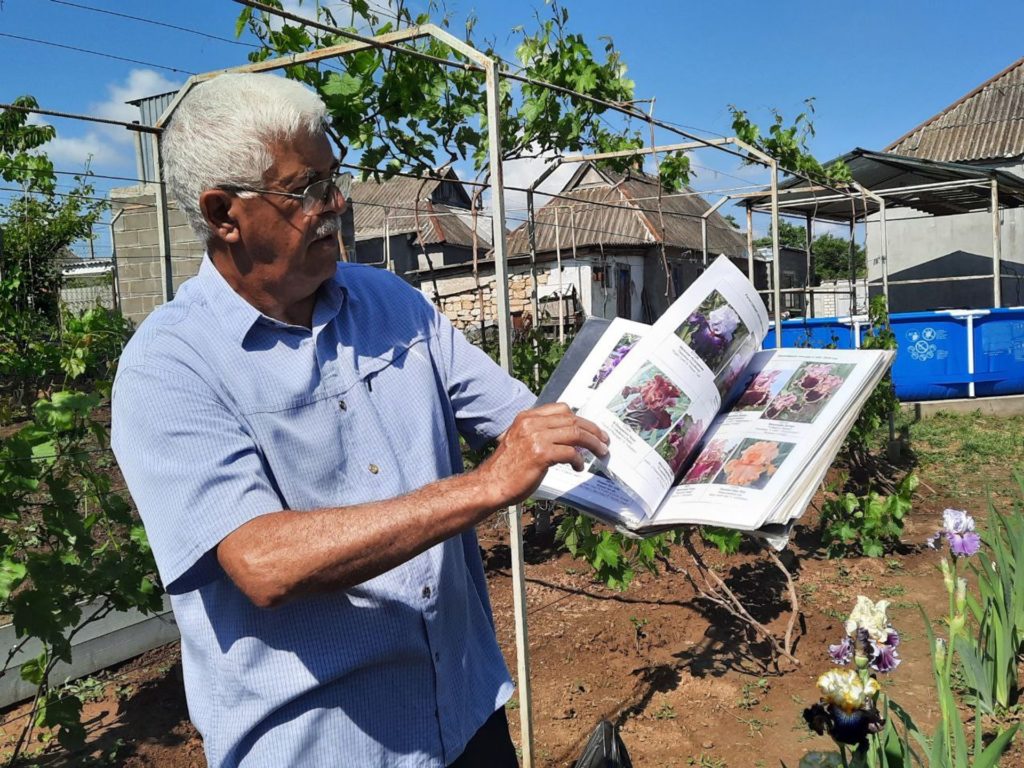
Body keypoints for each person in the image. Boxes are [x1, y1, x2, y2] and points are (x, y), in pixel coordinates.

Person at [111, 72, 608, 768]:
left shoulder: (390, 302)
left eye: (332, 180)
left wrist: (678, 428)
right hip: (326, 746)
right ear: (224, 213)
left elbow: (526, 418)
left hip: (463, 714)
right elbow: (262, 561)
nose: (335, 203)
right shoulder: (169, 367)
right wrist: (486, 485)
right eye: (306, 189)